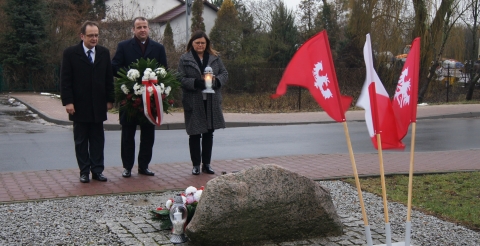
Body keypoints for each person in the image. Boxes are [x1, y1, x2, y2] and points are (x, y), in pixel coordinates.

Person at [112, 17, 168, 178]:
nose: (142, 30)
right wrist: (131, 76)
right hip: (130, 97)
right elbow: (115, 66)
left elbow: (164, 69)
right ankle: (127, 167)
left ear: (149, 29)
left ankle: (144, 166)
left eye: (145, 27)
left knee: (148, 134)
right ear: (133, 30)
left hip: (150, 99)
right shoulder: (123, 46)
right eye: (139, 27)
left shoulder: (158, 48)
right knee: (128, 134)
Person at [60, 21, 115, 183]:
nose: (94, 38)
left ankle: (97, 170)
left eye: (96, 35)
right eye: (91, 35)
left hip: (98, 105)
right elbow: (65, 80)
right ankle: (84, 171)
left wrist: (110, 99)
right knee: (81, 140)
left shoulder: (104, 53)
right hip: (79, 105)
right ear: (82, 36)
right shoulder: (70, 53)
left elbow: (108, 78)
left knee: (98, 139)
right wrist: (68, 102)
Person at [177, 30, 228, 175]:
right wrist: (195, 82)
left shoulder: (214, 57)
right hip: (193, 100)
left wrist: (216, 81)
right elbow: (179, 78)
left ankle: (206, 164)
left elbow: (224, 73)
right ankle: (195, 165)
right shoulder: (184, 58)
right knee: (194, 134)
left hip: (211, 100)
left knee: (208, 133)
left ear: (207, 44)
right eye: (197, 42)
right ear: (192, 43)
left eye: (203, 43)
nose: (200, 45)